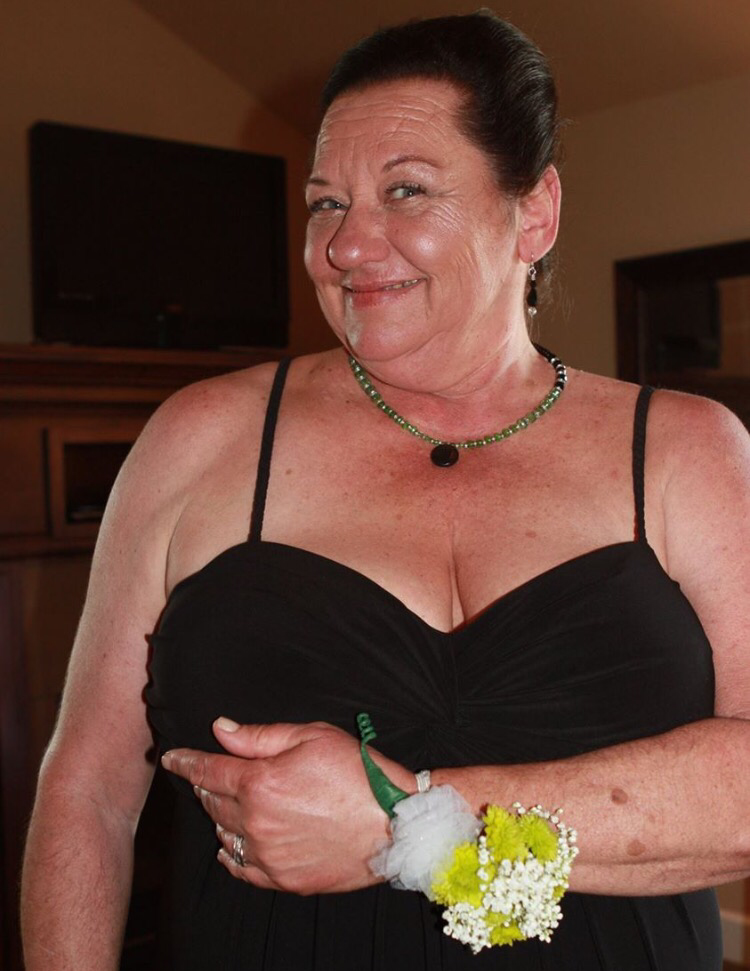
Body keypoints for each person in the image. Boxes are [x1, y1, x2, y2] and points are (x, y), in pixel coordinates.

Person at [21, 10, 750, 970]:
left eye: (405, 190)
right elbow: (87, 792)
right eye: (326, 204)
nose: (347, 246)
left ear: (534, 212)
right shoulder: (201, 439)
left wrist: (406, 817)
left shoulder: (690, 451)